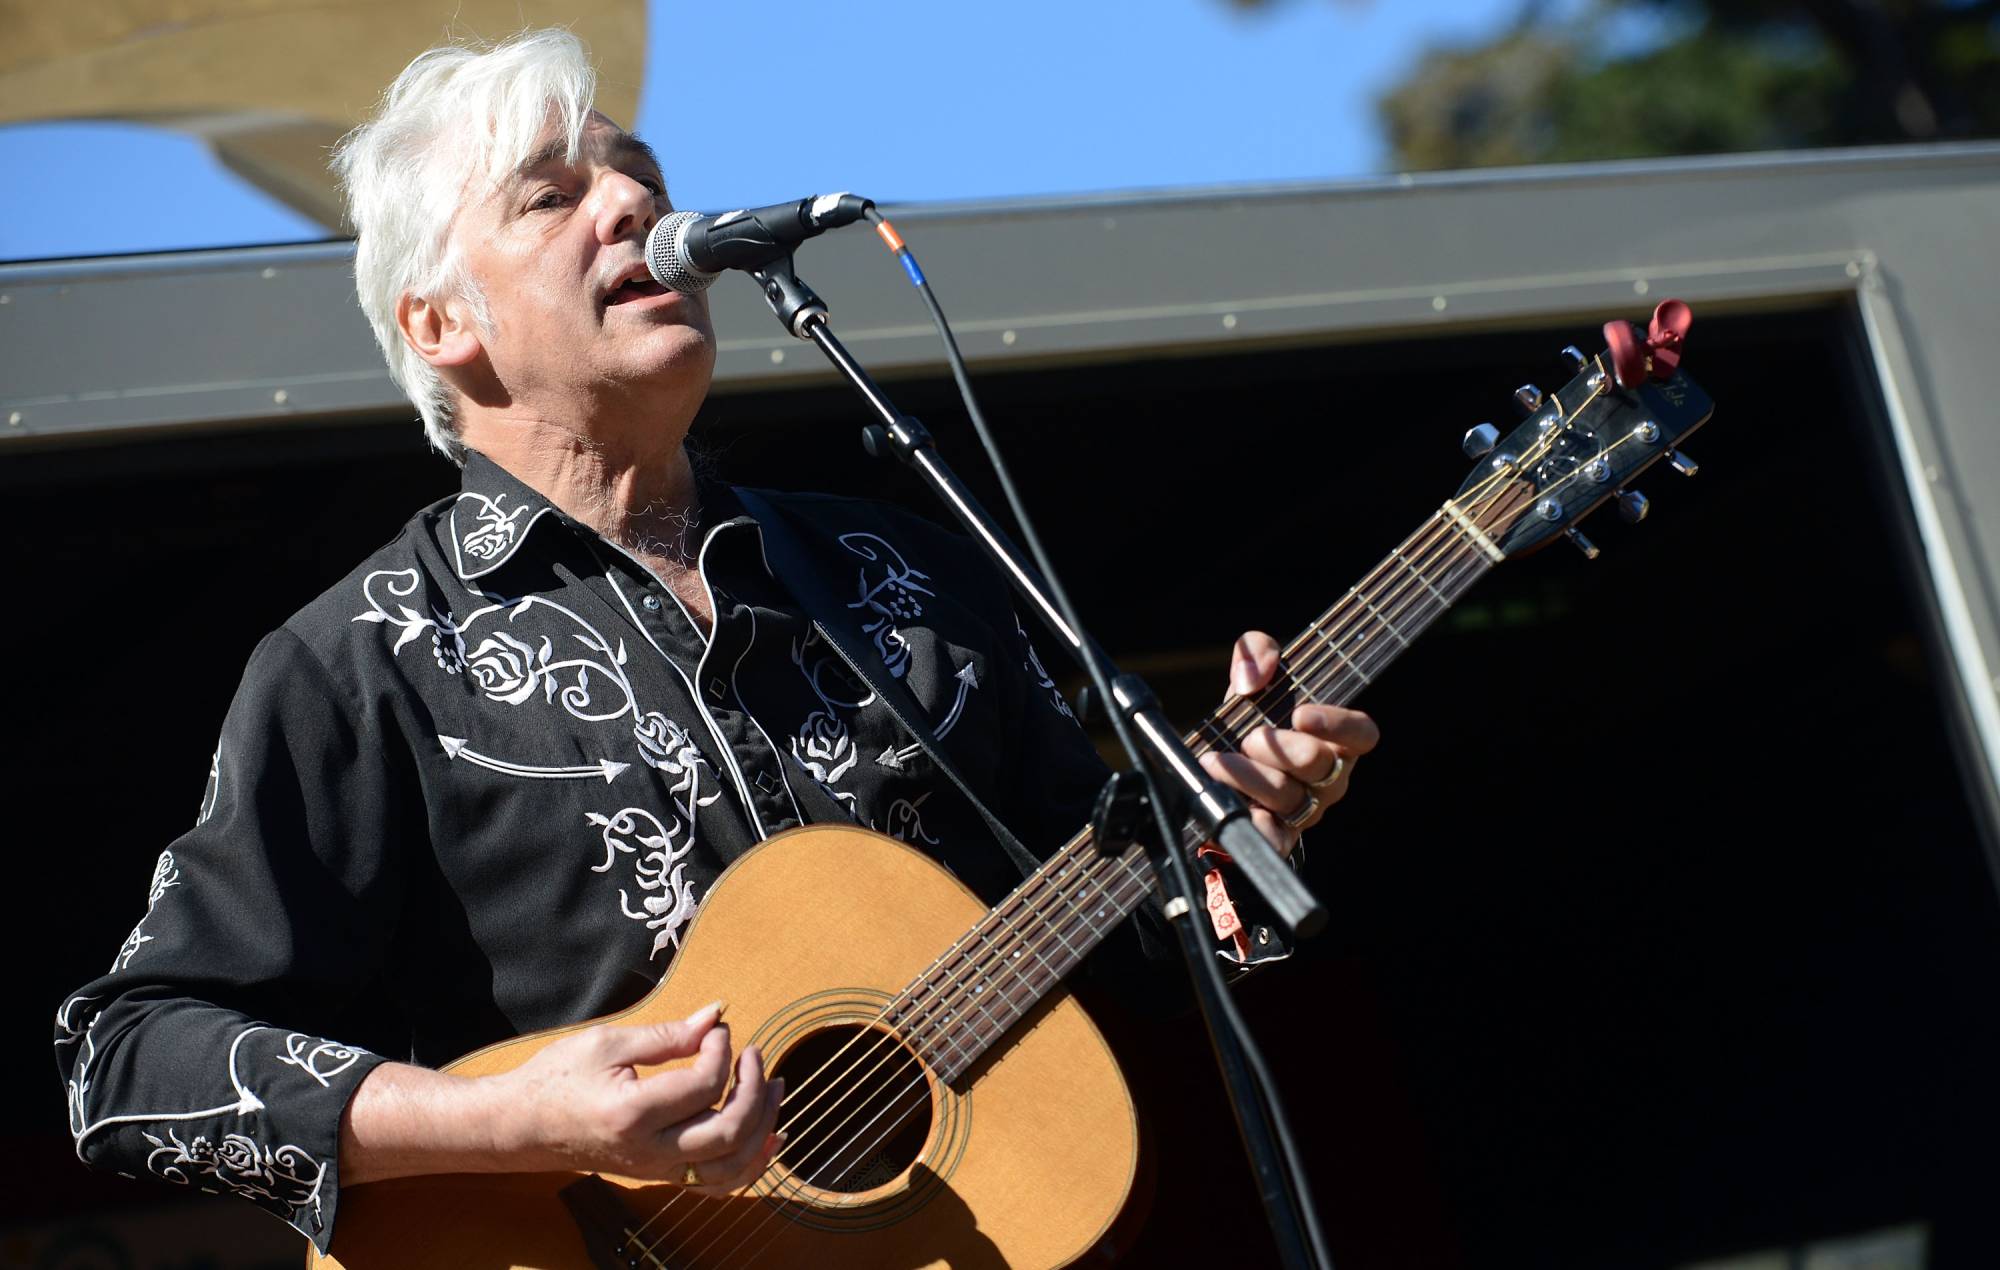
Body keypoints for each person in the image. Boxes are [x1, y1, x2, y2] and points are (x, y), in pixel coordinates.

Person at [52, 28, 1378, 1253]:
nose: (631, 204)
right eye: (551, 195)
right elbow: (128, 1062)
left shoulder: (891, 568)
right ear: (441, 324)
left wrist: (1229, 834)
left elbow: (1137, 907)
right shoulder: (365, 656)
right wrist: (527, 1120)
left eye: (636, 173)